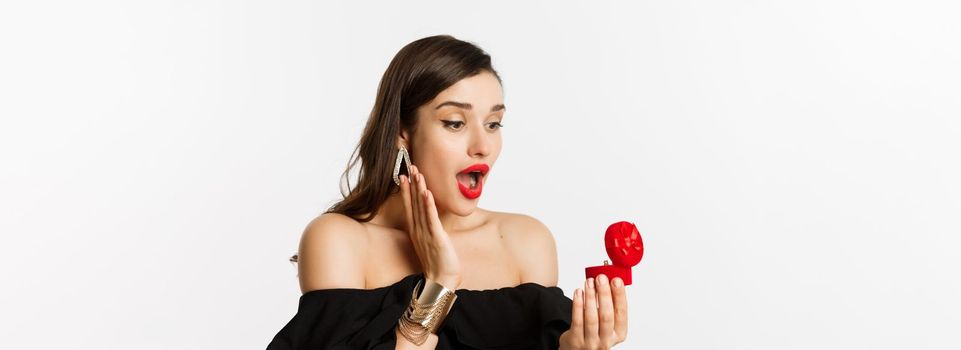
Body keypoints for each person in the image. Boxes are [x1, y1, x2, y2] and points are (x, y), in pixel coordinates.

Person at [266, 34, 629, 350]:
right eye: (455, 123)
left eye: (493, 123)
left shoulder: (526, 241)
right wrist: (439, 284)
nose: (482, 146)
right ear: (401, 132)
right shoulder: (338, 241)